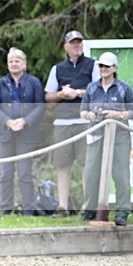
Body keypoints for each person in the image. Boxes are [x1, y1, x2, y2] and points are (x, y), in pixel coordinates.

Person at [79, 52, 133, 226]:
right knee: (91, 173)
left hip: (119, 135)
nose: (103, 69)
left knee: (121, 174)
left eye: (107, 66)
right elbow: (82, 111)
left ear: (114, 68)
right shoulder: (91, 88)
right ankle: (90, 210)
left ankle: (122, 211)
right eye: (101, 66)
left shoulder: (124, 88)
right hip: (96, 134)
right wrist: (89, 115)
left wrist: (117, 114)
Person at [43, 30, 99, 216]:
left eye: (79, 42)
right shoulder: (57, 69)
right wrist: (62, 94)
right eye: (72, 43)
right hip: (62, 122)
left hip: (85, 121)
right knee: (62, 165)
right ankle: (63, 207)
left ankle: (88, 207)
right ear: (66, 46)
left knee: (86, 164)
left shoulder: (94, 65)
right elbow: (49, 96)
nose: (76, 46)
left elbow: (99, 91)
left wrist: (79, 93)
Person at [0, 47, 46, 215]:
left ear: (24, 63)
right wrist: (7, 122)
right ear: (7, 65)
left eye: (17, 61)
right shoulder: (0, 83)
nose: (14, 64)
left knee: (25, 173)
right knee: (5, 173)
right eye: (11, 61)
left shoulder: (34, 82)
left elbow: (40, 107)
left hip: (26, 134)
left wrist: (25, 121)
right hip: (5, 134)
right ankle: (6, 208)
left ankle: (28, 209)